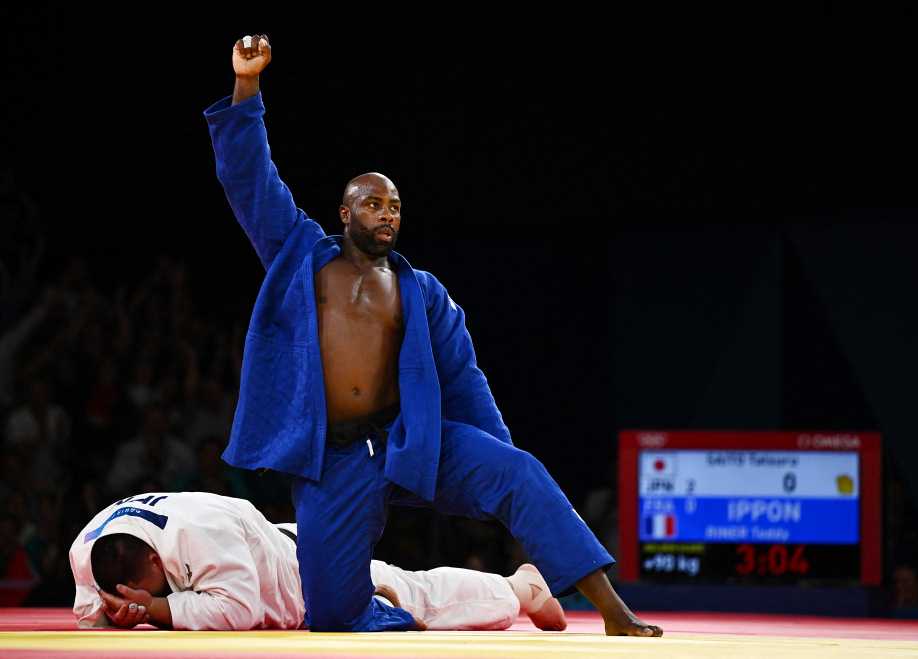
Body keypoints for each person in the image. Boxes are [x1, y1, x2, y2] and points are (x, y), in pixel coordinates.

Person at [203, 34, 661, 636]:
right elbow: (249, 179)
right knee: (332, 617)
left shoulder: (422, 293)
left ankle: (613, 610)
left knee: (520, 471)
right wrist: (247, 85)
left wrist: (497, 462)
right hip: (334, 457)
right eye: (372, 204)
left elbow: (466, 381)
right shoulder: (298, 257)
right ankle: (406, 611)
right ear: (345, 213)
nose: (387, 214)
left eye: (394, 205)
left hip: (407, 441)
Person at [69, 491, 566, 631]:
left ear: (157, 558)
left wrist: (153, 611)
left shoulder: (203, 533)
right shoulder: (88, 548)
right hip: (267, 549)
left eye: (154, 588)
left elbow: (238, 612)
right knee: (405, 589)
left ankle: (519, 587)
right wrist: (117, 614)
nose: (155, 596)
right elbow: (88, 612)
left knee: (411, 596)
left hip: (298, 566)